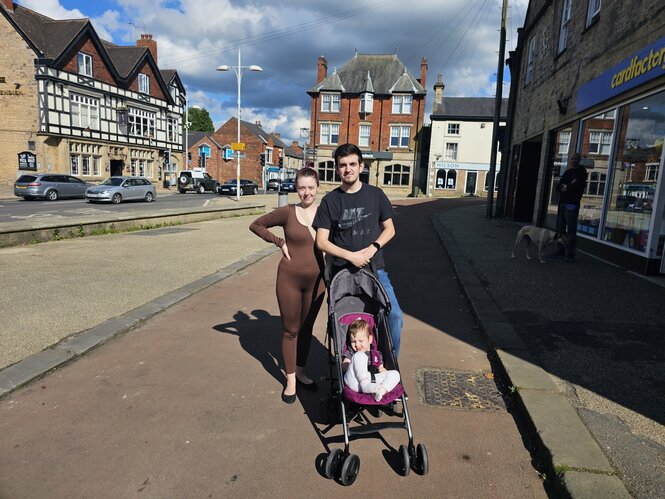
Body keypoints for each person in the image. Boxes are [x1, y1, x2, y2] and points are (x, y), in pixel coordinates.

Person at [313, 143, 404, 358]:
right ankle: (349, 367)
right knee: (344, 321)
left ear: (361, 166)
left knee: (395, 316)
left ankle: (386, 366)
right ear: (337, 169)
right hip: (342, 273)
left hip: (375, 269)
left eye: (353, 164)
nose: (348, 169)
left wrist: (371, 250)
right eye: (343, 165)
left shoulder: (376, 195)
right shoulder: (329, 201)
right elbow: (322, 242)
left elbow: (390, 229)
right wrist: (351, 256)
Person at [249, 167, 325, 404]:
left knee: (306, 329)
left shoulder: (326, 213)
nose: (306, 192)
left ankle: (301, 371)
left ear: (317, 187)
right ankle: (290, 380)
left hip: (318, 282)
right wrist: (279, 242)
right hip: (290, 278)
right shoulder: (287, 212)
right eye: (301, 187)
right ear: (296, 188)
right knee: (290, 330)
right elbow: (257, 224)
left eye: (310, 187)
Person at [342, 318, 400, 401]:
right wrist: (350, 364)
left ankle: (381, 391)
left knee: (395, 374)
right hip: (355, 381)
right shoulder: (351, 353)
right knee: (359, 355)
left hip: (372, 380)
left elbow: (381, 368)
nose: (357, 344)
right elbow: (344, 366)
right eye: (353, 341)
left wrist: (383, 371)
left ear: (370, 339)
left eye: (360, 341)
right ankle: (365, 385)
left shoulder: (376, 354)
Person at [555, 152, 588, 262]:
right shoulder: (568, 172)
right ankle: (560, 251)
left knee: (571, 230)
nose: (573, 160)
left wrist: (567, 187)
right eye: (572, 158)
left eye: (575, 159)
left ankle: (570, 253)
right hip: (563, 203)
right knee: (560, 229)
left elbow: (577, 185)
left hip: (572, 204)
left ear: (579, 160)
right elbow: (558, 186)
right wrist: (567, 186)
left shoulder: (581, 171)